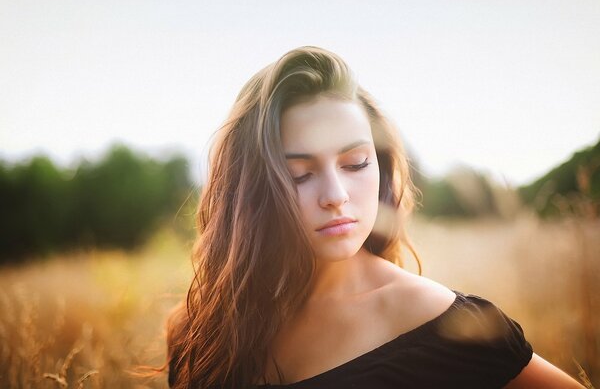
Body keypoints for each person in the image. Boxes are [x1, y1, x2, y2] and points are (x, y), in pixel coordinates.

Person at [165, 46, 584, 389]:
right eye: (300, 175)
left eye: (356, 163)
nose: (335, 196)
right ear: (251, 189)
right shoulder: (204, 328)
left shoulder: (444, 323)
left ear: (381, 166)